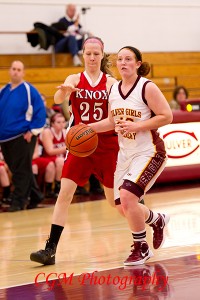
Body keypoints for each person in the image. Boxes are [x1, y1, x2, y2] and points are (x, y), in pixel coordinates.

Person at [30, 36, 119, 265]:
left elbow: (114, 118)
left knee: (113, 200)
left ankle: (146, 225)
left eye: (95, 54)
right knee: (64, 194)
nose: (91, 57)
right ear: (82, 54)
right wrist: (66, 92)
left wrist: (91, 128)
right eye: (88, 53)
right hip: (80, 147)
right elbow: (58, 98)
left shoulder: (110, 83)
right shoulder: (74, 78)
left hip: (106, 145)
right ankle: (50, 250)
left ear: (102, 55)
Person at [89, 46, 173, 265]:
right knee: (122, 206)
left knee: (128, 197)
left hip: (150, 152)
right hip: (125, 154)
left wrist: (138, 126)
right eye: (119, 59)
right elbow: (110, 121)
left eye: (128, 59)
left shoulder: (147, 87)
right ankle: (157, 220)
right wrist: (86, 128)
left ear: (137, 64)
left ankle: (141, 247)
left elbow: (167, 116)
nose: (123, 62)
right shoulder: (114, 90)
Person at [0, 61, 46, 212]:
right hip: (4, 138)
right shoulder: (4, 91)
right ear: (10, 71)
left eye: (19, 69)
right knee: (19, 169)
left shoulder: (29, 90)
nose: (15, 72)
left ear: (23, 73)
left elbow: (40, 111)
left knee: (20, 171)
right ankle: (36, 195)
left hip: (22, 136)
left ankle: (19, 201)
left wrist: (32, 131)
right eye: (13, 69)